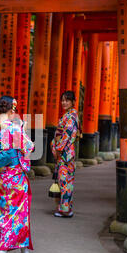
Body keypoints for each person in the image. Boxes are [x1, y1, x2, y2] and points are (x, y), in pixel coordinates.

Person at [0, 96, 35, 253]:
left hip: (0, 178)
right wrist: (23, 131)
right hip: (15, 178)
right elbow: (29, 147)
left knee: (6, 210)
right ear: (12, 109)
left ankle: (23, 249)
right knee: (19, 212)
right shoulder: (14, 129)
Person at [51, 90, 80, 218]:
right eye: (62, 100)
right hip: (63, 152)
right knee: (64, 180)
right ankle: (65, 207)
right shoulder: (67, 115)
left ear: (73, 102)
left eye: (67, 100)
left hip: (65, 152)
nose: (64, 102)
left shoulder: (72, 117)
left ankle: (65, 209)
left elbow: (67, 135)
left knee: (65, 180)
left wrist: (57, 149)